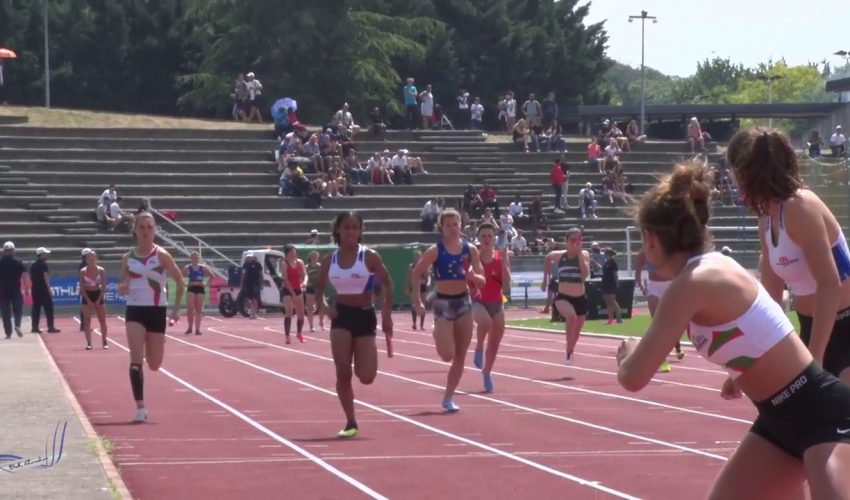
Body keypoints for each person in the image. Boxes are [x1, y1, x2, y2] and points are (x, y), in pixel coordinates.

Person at [617, 161, 850, 499]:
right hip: (777, 420)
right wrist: (739, 371)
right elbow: (760, 330)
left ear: (651, 239)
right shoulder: (710, 271)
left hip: (823, 414)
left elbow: (633, 378)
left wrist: (627, 354)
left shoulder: (693, 283)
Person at [728, 127, 850, 385]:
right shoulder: (767, 218)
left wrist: (814, 363)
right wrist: (744, 365)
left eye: (734, 172)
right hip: (811, 327)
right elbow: (770, 300)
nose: (733, 179)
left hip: (844, 327)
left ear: (746, 171)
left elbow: (829, 284)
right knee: (775, 423)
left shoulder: (800, 207)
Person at [315, 212, 393, 438]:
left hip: (365, 315)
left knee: (366, 375)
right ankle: (350, 420)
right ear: (338, 230)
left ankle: (367, 354)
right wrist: (324, 305)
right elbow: (319, 287)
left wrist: (386, 315)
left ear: (360, 231)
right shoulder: (330, 260)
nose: (350, 232)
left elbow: (387, 284)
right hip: (341, 316)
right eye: (346, 227)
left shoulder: (369, 257)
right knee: (342, 371)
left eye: (354, 227)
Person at [412, 209, 486, 412]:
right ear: (442, 229)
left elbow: (482, 280)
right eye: (448, 225)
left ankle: (448, 397)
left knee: (461, 355)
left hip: (464, 303)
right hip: (443, 304)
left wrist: (472, 276)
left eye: (456, 224)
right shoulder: (435, 250)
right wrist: (417, 300)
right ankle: (438, 331)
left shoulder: (470, 249)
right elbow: (417, 273)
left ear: (461, 225)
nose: (453, 228)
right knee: (447, 355)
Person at [118, 212, 184, 423]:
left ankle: (153, 341)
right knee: (135, 360)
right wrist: (123, 287)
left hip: (157, 310)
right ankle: (140, 407)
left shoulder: (162, 255)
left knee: (154, 364)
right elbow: (122, 283)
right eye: (142, 227)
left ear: (154, 230)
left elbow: (180, 282)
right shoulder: (128, 258)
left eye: (150, 227)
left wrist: (174, 310)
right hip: (135, 310)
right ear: (135, 230)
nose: (146, 232)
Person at [471, 222, 511, 393]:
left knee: (495, 342)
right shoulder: (475, 257)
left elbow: (507, 284)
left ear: (495, 239)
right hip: (478, 301)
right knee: (485, 322)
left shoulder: (500, 256)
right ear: (479, 239)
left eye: (489, 236)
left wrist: (503, 261)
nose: (487, 239)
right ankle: (479, 345)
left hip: (496, 301)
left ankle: (487, 371)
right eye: (483, 236)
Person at [541, 227, 591, 364]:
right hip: (563, 297)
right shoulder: (560, 255)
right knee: (571, 317)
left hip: (580, 298)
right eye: (573, 240)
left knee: (577, 331)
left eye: (578, 240)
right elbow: (548, 258)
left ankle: (570, 350)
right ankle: (569, 349)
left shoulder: (585, 254)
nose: (575, 243)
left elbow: (585, 274)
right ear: (566, 241)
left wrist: (579, 254)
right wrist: (545, 279)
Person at [635, 248, 684, 372]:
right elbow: (638, 271)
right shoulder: (644, 253)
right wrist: (641, 286)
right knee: (657, 324)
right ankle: (663, 360)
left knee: (672, 323)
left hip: (669, 285)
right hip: (653, 286)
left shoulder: (668, 249)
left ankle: (677, 345)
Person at [80, 250, 108, 350]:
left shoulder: (101, 270)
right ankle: (89, 343)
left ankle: (104, 341)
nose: (92, 258)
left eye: (93, 256)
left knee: (102, 321)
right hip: (87, 295)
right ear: (87, 259)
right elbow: (82, 287)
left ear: (96, 258)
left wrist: (99, 299)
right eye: (89, 257)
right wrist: (88, 300)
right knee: (87, 321)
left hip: (98, 295)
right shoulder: (83, 271)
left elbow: (104, 286)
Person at [182, 251, 214, 335]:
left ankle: (197, 329)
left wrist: (206, 284)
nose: (195, 259)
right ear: (191, 258)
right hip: (191, 288)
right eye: (193, 258)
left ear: (199, 258)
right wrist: (186, 284)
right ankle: (189, 327)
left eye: (196, 258)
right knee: (190, 310)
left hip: (200, 288)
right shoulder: (188, 267)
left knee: (198, 310)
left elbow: (212, 275)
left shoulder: (202, 267)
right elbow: (180, 276)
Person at [30, 247, 60, 334]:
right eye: (46, 253)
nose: (47, 255)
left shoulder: (33, 265)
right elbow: (45, 276)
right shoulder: (44, 265)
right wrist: (49, 289)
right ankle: (50, 327)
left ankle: (35, 327)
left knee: (36, 309)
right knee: (49, 308)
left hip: (35, 288)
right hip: (43, 289)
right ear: (42, 254)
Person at [281, 245, 307, 344]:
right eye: (292, 252)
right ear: (287, 254)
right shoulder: (285, 263)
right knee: (289, 312)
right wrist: (292, 292)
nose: (294, 254)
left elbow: (305, 274)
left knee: (301, 315)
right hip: (287, 290)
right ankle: (287, 336)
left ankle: (299, 333)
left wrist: (304, 282)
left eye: (294, 252)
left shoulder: (300, 262)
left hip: (298, 289)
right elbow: (285, 279)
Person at [0, 241, 26, 339]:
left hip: (3, 291)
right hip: (15, 290)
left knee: (6, 313)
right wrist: (27, 288)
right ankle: (17, 325)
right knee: (18, 310)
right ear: (13, 250)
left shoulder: (1, 262)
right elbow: (24, 275)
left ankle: (8, 333)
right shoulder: (18, 261)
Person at [404, 250, 431, 330]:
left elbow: (428, 276)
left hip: (422, 287)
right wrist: (407, 286)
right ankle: (414, 323)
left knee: (422, 305)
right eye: (415, 257)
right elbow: (408, 277)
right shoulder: (411, 266)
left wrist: (428, 282)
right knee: (414, 305)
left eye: (418, 257)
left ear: (421, 257)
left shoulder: (424, 266)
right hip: (414, 287)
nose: (416, 258)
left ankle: (421, 325)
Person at [304, 251, 325, 332]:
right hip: (310, 288)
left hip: (318, 288)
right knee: (310, 307)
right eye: (312, 256)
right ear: (310, 257)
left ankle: (321, 321)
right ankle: (311, 326)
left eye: (315, 256)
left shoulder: (320, 266)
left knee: (322, 305)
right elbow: (304, 276)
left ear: (318, 257)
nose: (314, 258)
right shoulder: (307, 267)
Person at [601, 248, 623, 325]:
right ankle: (610, 319)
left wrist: (617, 283)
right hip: (605, 283)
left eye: (605, 253)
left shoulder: (613, 263)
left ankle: (619, 319)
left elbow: (615, 274)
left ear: (608, 254)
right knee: (608, 302)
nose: (604, 254)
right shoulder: (606, 263)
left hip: (611, 283)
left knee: (612, 301)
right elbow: (602, 270)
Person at [241, 252, 263, 319]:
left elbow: (243, 274)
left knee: (252, 298)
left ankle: (253, 312)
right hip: (252, 284)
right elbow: (261, 274)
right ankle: (253, 312)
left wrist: (241, 283)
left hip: (252, 283)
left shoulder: (256, 264)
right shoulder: (254, 264)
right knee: (252, 298)